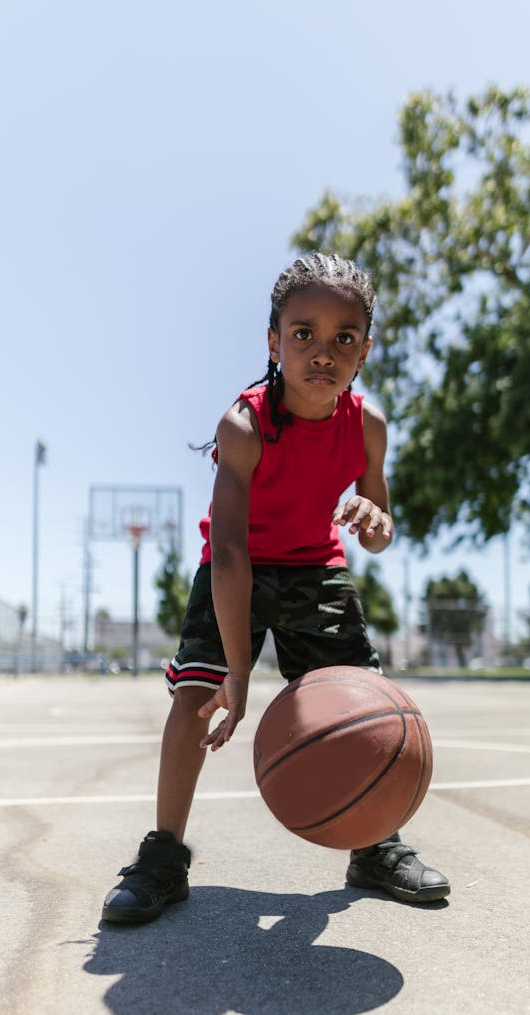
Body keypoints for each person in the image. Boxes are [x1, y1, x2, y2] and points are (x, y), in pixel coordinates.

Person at [102, 252, 450, 925]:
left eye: (344, 337)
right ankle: (165, 854)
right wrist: (237, 673)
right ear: (274, 341)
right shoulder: (246, 424)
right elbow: (231, 554)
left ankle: (374, 845)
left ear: (365, 351)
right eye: (304, 334)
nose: (324, 351)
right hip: (239, 563)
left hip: (317, 565)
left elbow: (375, 530)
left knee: (365, 704)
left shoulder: (367, 424)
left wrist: (376, 520)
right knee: (195, 697)